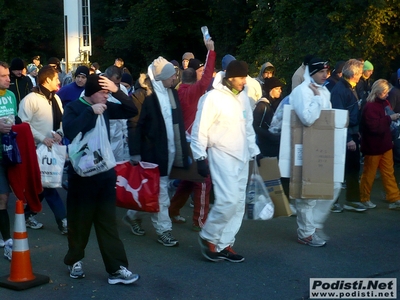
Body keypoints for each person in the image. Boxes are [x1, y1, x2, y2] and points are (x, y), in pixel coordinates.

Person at [62, 74, 139, 284]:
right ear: (91, 93)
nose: (106, 96)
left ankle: (117, 268)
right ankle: (74, 260)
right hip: (81, 175)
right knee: (80, 222)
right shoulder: (75, 107)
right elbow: (69, 130)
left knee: (107, 223)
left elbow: (131, 110)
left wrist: (117, 91)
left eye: (108, 92)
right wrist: (89, 112)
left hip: (105, 173)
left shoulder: (106, 105)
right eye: (103, 92)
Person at [191, 60, 260, 262]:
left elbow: (248, 127)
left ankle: (224, 243)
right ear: (230, 78)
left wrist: (254, 151)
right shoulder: (212, 98)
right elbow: (200, 128)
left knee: (238, 203)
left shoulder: (244, 98)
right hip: (221, 153)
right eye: (240, 77)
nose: (244, 81)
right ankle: (208, 236)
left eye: (245, 77)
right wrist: (199, 156)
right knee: (228, 200)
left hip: (242, 156)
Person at [123, 57, 188, 247]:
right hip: (151, 152)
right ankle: (164, 230)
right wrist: (135, 153)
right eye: (172, 76)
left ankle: (133, 214)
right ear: (160, 77)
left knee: (154, 190)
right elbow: (134, 124)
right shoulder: (143, 96)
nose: (175, 78)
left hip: (169, 150)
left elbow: (176, 122)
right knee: (160, 192)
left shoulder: (171, 94)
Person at [290, 57, 342, 247]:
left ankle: (315, 224)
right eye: (321, 72)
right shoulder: (302, 91)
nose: (325, 75)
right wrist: (318, 99)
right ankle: (306, 233)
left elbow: (327, 118)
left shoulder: (323, 90)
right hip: (305, 146)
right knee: (308, 193)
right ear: (311, 72)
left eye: (326, 71)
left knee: (335, 184)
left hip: (323, 146)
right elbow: (307, 118)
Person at [168, 37, 216, 232]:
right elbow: (205, 80)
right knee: (204, 182)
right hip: (194, 143)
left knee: (188, 180)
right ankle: (200, 221)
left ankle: (172, 210)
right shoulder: (193, 92)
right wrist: (211, 51)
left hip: (182, 141)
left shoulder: (177, 91)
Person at [18, 65, 68, 234]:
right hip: (35, 151)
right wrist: (42, 138)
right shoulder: (30, 99)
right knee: (50, 187)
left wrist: (60, 133)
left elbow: (62, 120)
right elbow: (23, 125)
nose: (59, 81)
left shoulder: (56, 98)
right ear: (47, 80)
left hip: (52, 150)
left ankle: (27, 214)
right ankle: (64, 221)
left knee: (43, 185)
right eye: (56, 78)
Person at [330, 59, 366, 212]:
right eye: (359, 73)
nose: (361, 76)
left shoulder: (351, 87)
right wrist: (348, 139)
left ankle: (352, 199)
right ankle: (333, 202)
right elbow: (338, 117)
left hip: (352, 132)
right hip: (345, 136)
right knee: (339, 169)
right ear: (353, 74)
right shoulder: (340, 90)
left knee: (353, 167)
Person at [359, 79, 400, 210]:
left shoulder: (382, 103)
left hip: (383, 144)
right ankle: (364, 198)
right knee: (369, 174)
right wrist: (390, 118)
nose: (387, 95)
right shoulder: (370, 107)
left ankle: (394, 197)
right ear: (378, 92)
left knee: (388, 172)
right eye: (385, 92)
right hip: (374, 146)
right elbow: (373, 127)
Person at [0, 61, 18, 260]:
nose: (8, 79)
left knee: (8, 195)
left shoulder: (12, 96)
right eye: (3, 75)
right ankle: (7, 240)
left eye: (8, 75)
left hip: (10, 153)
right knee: (2, 197)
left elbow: (17, 119)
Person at [253, 77, 284, 157]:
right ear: (270, 90)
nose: (280, 91)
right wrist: (270, 135)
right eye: (277, 89)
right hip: (264, 145)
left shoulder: (278, 103)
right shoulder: (262, 105)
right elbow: (255, 126)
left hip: (275, 143)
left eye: (280, 88)